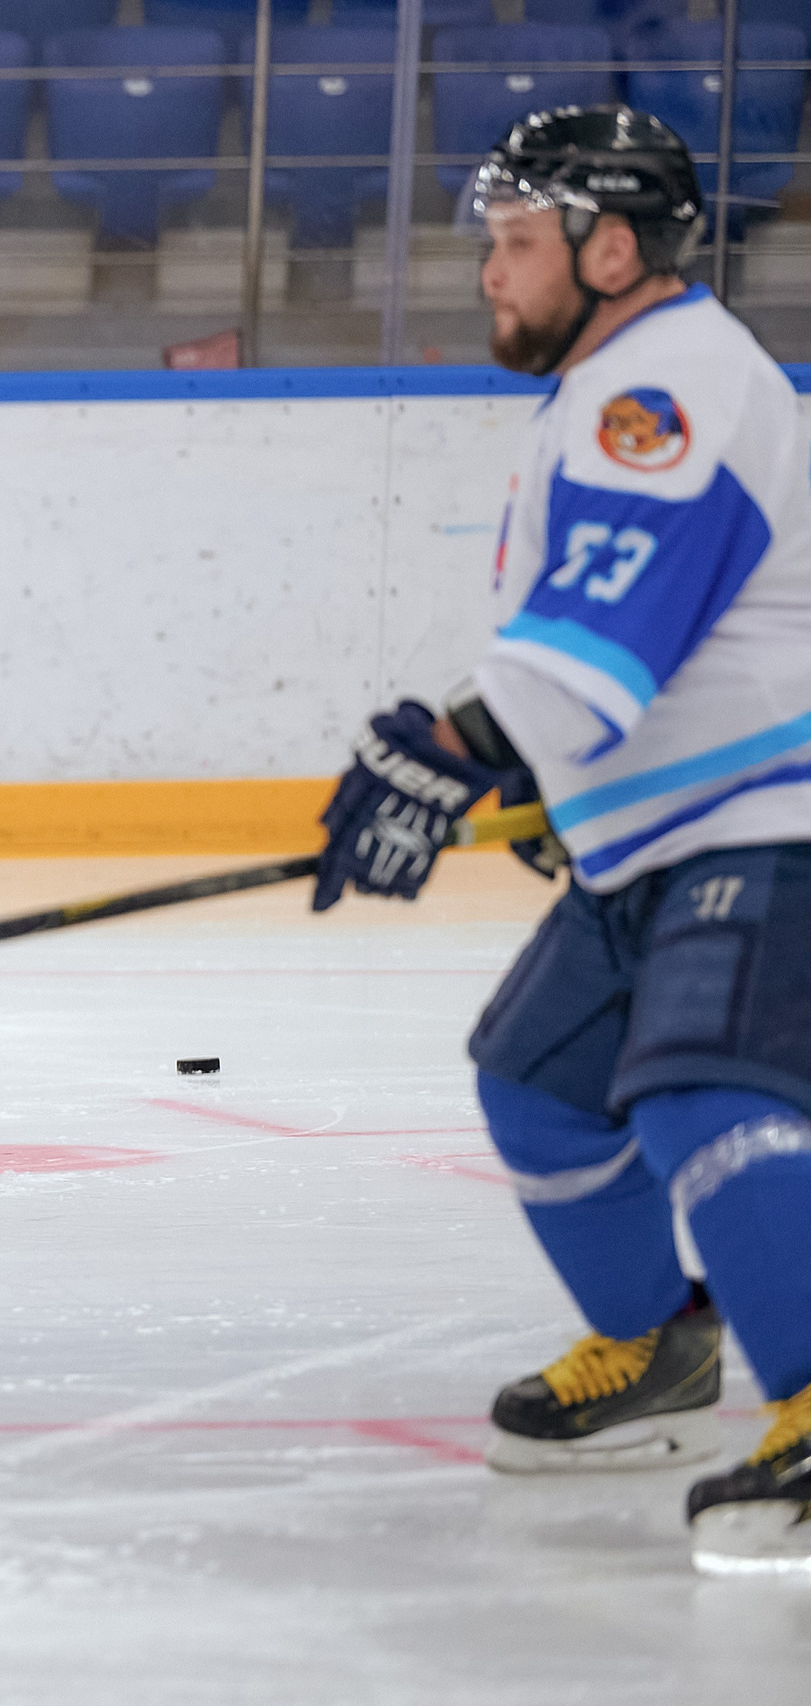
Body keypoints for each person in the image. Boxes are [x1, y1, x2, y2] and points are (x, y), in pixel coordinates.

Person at [311, 108, 811, 1574]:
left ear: (610, 248)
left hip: (766, 820)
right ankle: (656, 1349)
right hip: (658, 829)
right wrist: (538, 785)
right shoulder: (629, 379)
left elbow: (599, 634)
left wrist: (457, 745)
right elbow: (643, 653)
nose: (490, 272)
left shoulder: (661, 388)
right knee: (540, 1084)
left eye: (516, 242)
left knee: (703, 1093)